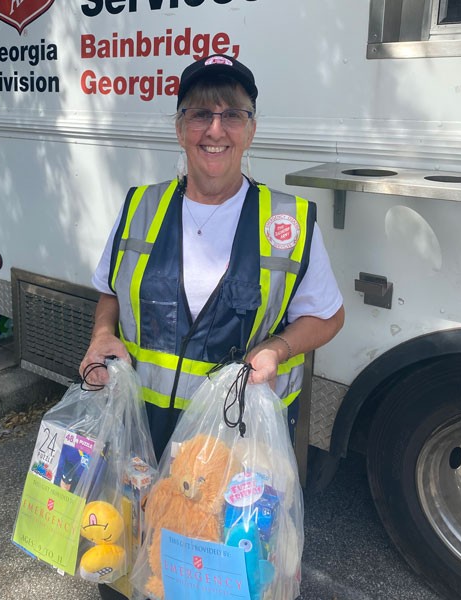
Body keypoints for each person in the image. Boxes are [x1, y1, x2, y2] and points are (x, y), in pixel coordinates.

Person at [80, 52, 344, 600]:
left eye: (233, 114)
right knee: (128, 569)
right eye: (200, 114)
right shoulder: (138, 207)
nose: (215, 130)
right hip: (140, 437)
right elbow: (109, 288)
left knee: (212, 581)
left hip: (234, 449)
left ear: (252, 129)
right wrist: (102, 334)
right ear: (180, 129)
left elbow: (327, 314)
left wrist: (277, 347)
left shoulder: (289, 221)